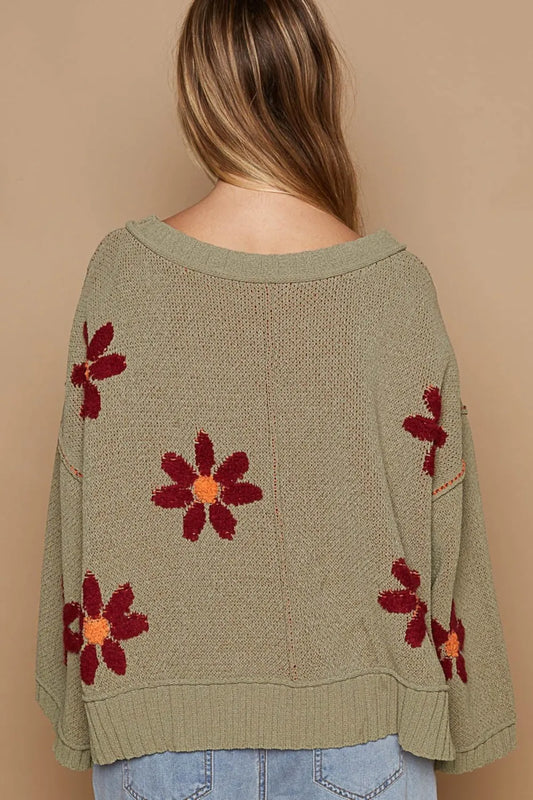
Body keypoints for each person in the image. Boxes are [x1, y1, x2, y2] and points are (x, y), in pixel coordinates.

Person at [34, 1, 517, 798]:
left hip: (160, 739)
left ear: (197, 92)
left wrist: (79, 707)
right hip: (368, 743)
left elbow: (78, 502)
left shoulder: (123, 274)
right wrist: (466, 707)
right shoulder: (396, 288)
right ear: (317, 87)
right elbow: (447, 517)